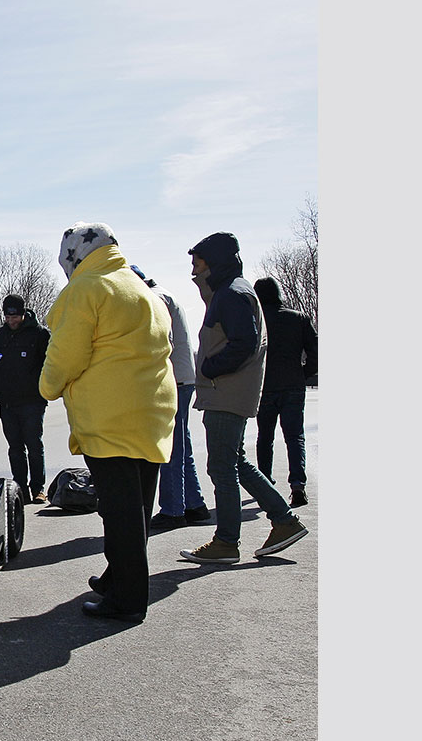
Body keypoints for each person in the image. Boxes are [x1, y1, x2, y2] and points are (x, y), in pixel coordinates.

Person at [39, 223, 176, 623]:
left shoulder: (87, 289)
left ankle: (127, 600)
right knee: (137, 509)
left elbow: (66, 354)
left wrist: (47, 386)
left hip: (111, 417)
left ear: (72, 257)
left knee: (119, 514)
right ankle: (119, 577)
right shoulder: (141, 288)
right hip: (152, 413)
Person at [180, 234, 310, 565]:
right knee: (236, 462)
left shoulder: (232, 294)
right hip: (229, 391)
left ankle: (226, 542)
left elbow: (244, 342)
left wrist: (209, 367)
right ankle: (284, 520)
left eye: (197, 264)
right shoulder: (231, 291)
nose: (193, 271)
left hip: (227, 392)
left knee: (221, 468)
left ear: (213, 263)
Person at [133, 267, 212, 530]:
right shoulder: (166, 294)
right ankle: (194, 504)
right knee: (181, 444)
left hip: (172, 381)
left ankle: (173, 509)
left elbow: (159, 342)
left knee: (169, 447)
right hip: (183, 377)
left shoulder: (156, 299)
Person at [253, 276, 317, 507]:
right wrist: (304, 373)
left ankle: (265, 482)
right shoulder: (298, 319)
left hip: (265, 386)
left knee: (265, 437)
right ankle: (298, 484)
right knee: (294, 436)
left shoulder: (258, 321)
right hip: (293, 384)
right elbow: (315, 350)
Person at [0, 295, 50, 503]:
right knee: (15, 447)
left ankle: (38, 488)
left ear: (23, 314)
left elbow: (50, 364)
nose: (11, 320)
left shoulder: (39, 335)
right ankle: (21, 488)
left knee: (33, 444)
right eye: (7, 316)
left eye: (15, 316)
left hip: (33, 400)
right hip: (7, 402)